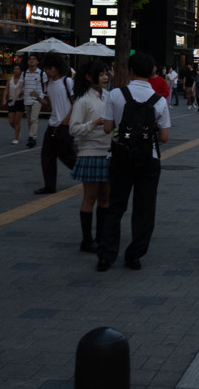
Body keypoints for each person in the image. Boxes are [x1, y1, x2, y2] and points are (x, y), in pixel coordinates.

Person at [96, 52, 171, 272]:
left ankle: (106, 255)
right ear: (153, 73)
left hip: (120, 156)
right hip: (149, 159)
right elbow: (165, 137)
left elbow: (108, 128)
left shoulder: (116, 95)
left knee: (115, 206)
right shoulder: (159, 101)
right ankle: (134, 255)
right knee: (144, 209)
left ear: (130, 71)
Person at [69, 61, 111, 254]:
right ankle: (87, 240)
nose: (105, 77)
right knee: (90, 197)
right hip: (90, 152)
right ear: (88, 77)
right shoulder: (83, 100)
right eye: (101, 74)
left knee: (105, 198)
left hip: (108, 152)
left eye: (106, 73)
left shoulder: (108, 96)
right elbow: (73, 129)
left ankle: (101, 237)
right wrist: (93, 123)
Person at [34, 53, 76, 195]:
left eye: (49, 69)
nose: (46, 71)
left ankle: (84, 172)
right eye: (45, 69)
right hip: (52, 124)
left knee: (66, 154)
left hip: (65, 125)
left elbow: (75, 102)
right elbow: (49, 105)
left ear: (57, 68)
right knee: (47, 155)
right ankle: (49, 186)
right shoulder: (48, 84)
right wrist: (38, 98)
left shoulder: (67, 82)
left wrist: (68, 119)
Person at [21, 53, 45, 148]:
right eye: (30, 59)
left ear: (37, 62)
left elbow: (45, 85)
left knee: (34, 119)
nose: (32, 60)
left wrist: (42, 96)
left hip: (37, 99)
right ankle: (31, 136)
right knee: (29, 120)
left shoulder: (41, 73)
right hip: (27, 99)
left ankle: (32, 137)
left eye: (34, 59)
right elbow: (21, 85)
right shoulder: (24, 73)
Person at [3, 63, 25, 144]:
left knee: (17, 120)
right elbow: (6, 89)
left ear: (21, 71)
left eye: (17, 69)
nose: (15, 70)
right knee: (11, 121)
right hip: (11, 100)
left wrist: (23, 92)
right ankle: (18, 130)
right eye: (15, 69)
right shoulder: (10, 79)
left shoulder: (22, 80)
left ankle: (16, 138)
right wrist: (4, 98)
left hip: (20, 100)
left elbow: (23, 89)